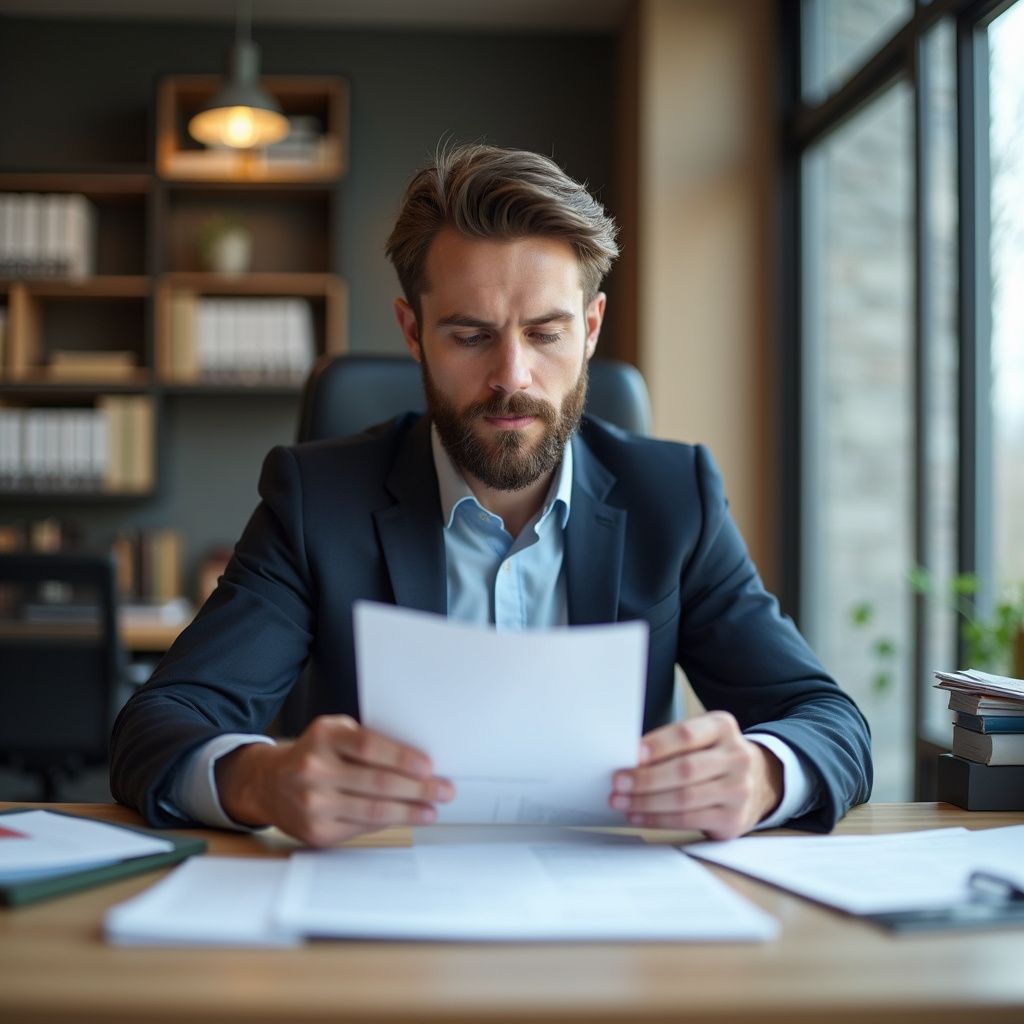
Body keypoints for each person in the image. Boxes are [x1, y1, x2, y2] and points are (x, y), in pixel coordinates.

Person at [110, 143, 872, 846]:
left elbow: (832, 723)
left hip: (613, 918)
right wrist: (260, 779)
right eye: (470, 335)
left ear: (592, 328)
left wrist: (765, 774)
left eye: (546, 333)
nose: (512, 376)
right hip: (377, 919)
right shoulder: (318, 500)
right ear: (413, 332)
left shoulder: (676, 499)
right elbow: (157, 726)